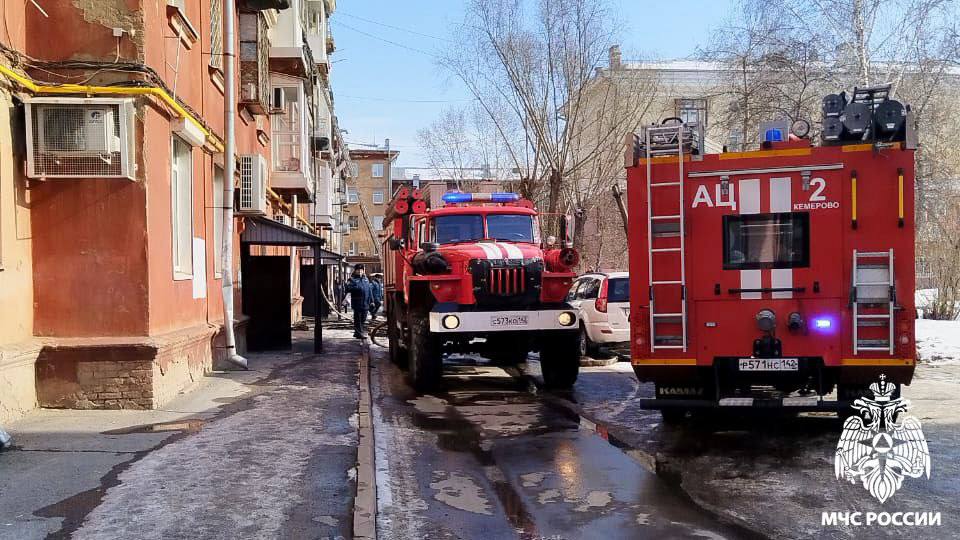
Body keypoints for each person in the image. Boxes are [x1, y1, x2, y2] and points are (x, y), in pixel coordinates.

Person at [345, 265, 373, 338]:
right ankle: (359, 333)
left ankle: (357, 332)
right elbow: (348, 288)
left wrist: (372, 301)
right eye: (358, 270)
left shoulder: (366, 279)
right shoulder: (352, 279)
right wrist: (357, 288)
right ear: (355, 271)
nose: (360, 271)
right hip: (357, 302)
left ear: (363, 271)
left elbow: (370, 291)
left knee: (363, 318)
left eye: (361, 270)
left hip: (366, 302)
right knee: (358, 319)